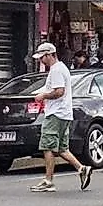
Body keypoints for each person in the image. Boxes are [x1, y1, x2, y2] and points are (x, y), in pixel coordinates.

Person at [30, 40, 92, 191]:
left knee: (47, 147)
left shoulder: (57, 69)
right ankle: (81, 168)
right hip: (64, 114)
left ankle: (48, 180)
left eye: (42, 57)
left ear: (50, 55)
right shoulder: (61, 68)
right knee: (62, 148)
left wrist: (43, 96)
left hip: (55, 114)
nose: (41, 60)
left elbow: (59, 92)